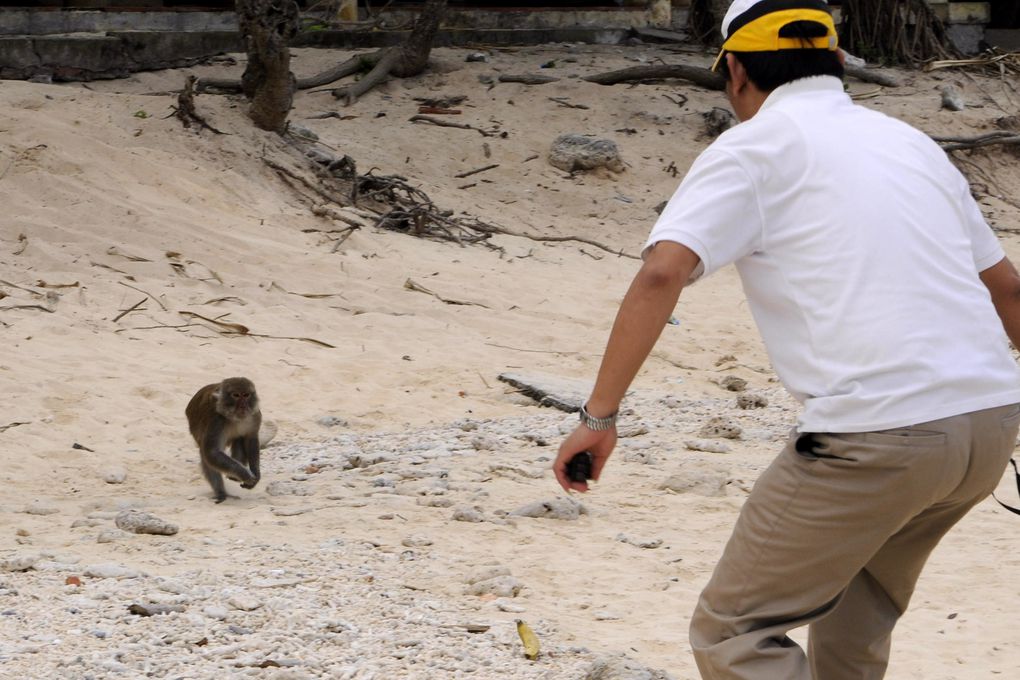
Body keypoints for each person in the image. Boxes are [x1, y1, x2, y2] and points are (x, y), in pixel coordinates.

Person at [553, 0, 1020, 678]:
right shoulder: (909, 142)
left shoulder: (752, 148)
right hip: (987, 424)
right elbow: (1006, 289)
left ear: (735, 71)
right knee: (855, 619)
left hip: (875, 436)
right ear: (835, 60)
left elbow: (662, 272)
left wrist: (599, 418)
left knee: (733, 631)